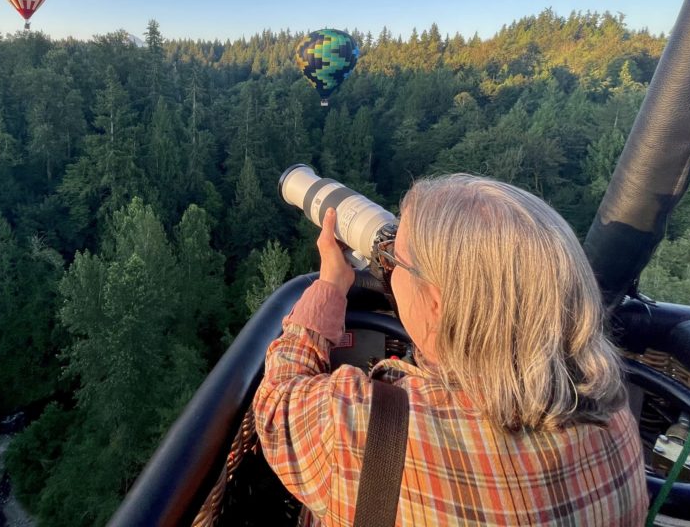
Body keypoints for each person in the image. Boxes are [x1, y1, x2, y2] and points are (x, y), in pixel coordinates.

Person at [253, 175, 648, 526]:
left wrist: (330, 285)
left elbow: (276, 403)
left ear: (438, 303)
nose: (385, 269)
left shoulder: (362, 426)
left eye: (391, 261)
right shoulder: (612, 410)